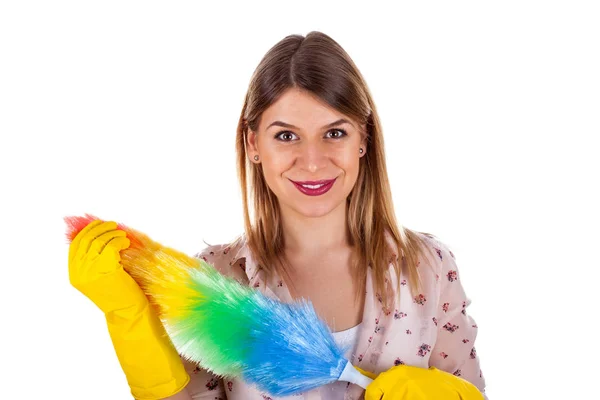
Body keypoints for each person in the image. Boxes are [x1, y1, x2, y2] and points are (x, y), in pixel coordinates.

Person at [68, 31, 487, 400]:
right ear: (253, 145)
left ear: (364, 139)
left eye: (334, 133)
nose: (312, 162)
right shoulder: (220, 277)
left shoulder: (427, 271)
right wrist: (130, 321)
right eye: (286, 136)